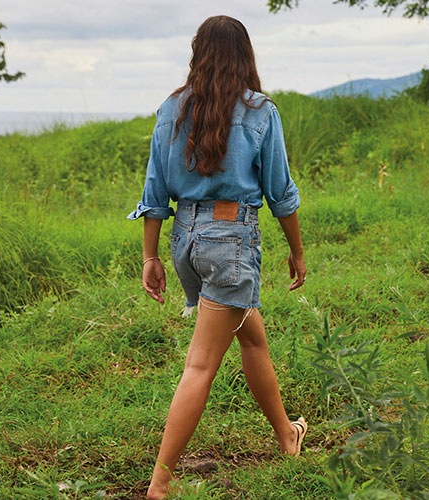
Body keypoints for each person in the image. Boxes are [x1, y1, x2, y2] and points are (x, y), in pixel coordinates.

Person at [127, 15, 308, 500]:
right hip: (229, 242)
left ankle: (286, 435)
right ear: (245, 54)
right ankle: (159, 484)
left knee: (251, 336)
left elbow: (154, 190)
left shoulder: (171, 108)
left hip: (186, 240)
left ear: (197, 52)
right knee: (201, 365)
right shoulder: (259, 111)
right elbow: (280, 193)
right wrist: (296, 250)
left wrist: (151, 256)